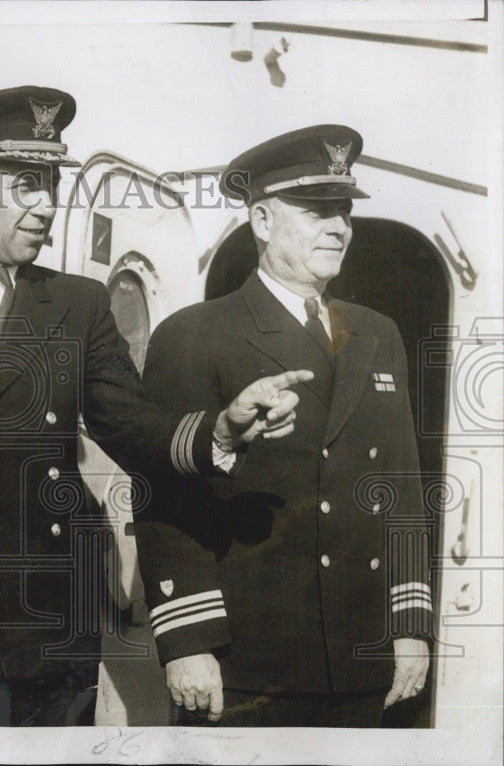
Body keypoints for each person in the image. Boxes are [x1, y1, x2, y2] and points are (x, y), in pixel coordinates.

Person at [0, 86, 313, 727]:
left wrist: (221, 431)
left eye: (51, 185)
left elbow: (132, 426)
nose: (46, 207)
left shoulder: (78, 305)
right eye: (26, 185)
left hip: (54, 637)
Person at [135, 124, 432, 727]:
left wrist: (409, 626)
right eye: (317, 210)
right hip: (245, 659)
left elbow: (401, 488)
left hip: (358, 655)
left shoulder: (378, 334)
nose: (339, 226)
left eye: (343, 210)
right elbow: (166, 496)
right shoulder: (195, 334)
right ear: (263, 222)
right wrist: (188, 642)